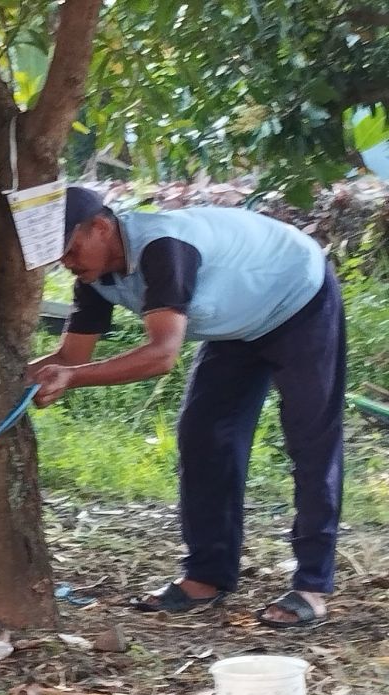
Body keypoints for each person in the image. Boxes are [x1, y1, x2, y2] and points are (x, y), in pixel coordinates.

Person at [27, 187, 346, 628]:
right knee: (203, 437)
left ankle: (312, 585)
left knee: (311, 439)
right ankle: (207, 576)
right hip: (237, 324)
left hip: (297, 296)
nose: (68, 264)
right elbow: (71, 357)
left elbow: (161, 355)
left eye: (71, 249)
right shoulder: (94, 275)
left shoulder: (164, 248)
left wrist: (71, 380)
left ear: (101, 227)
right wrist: (12, 381)